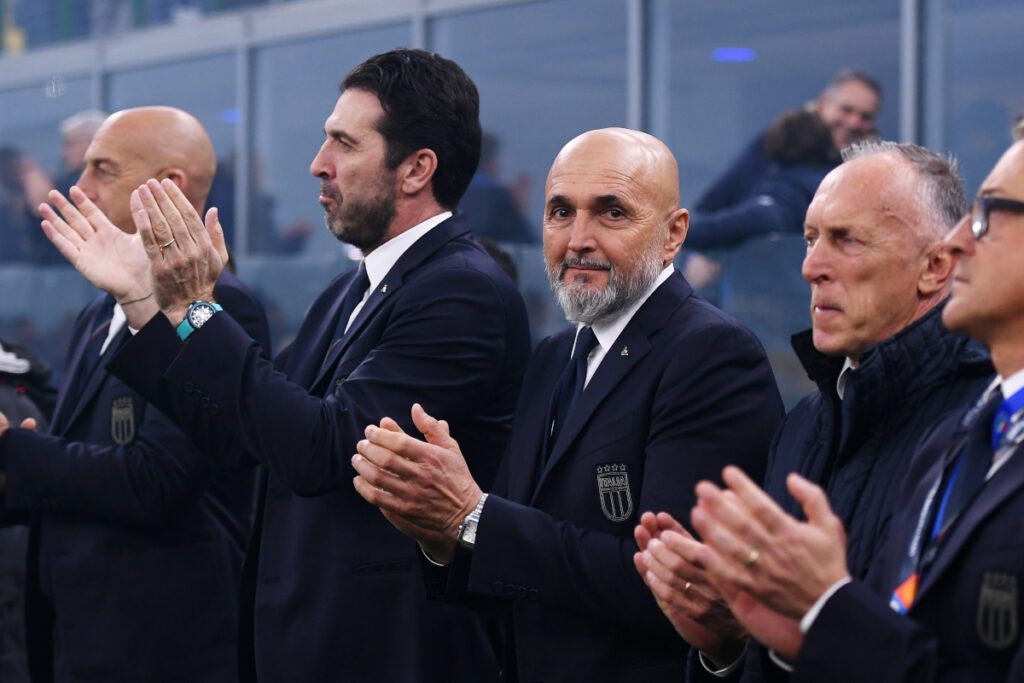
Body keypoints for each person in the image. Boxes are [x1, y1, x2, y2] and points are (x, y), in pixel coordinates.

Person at [89, 50, 530, 682]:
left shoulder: (462, 292)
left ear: (415, 170)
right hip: (310, 641)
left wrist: (196, 307)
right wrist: (149, 304)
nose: (318, 164)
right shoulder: (352, 289)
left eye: (344, 144)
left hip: (386, 653)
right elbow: (246, 436)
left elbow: (322, 451)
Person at [352, 127, 784, 681]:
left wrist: (472, 515)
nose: (578, 238)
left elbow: (671, 588)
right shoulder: (556, 356)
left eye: (611, 213)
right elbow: (511, 567)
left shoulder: (711, 355)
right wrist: (440, 532)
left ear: (674, 234)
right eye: (560, 212)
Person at [635, 141, 993, 682]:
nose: (810, 267)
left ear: (936, 266)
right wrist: (728, 647)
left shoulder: (988, 422)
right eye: (810, 239)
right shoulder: (805, 421)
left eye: (845, 240)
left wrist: (824, 613)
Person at [1, 106, 270, 683]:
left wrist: (15, 451)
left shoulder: (223, 310)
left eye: (103, 169)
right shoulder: (97, 312)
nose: (81, 187)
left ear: (168, 187)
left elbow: (158, 481)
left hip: (164, 647)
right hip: (83, 638)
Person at [686, 70, 883, 289]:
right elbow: (712, 203)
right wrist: (703, 250)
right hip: (738, 292)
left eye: (865, 117)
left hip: (799, 301)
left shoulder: (862, 175)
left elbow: (768, 215)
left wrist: (683, 236)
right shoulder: (774, 143)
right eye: (846, 110)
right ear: (824, 103)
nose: (854, 122)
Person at [53, 110, 106, 197]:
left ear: (92, 142)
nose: (63, 153)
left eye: (70, 144)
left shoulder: (111, 185)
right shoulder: (66, 183)